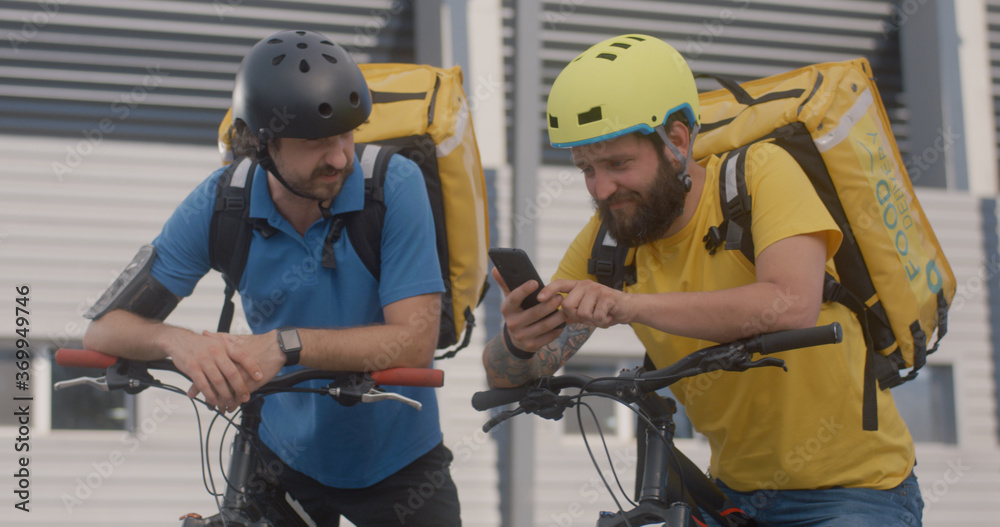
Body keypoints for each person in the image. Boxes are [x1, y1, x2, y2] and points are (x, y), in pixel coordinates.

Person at [482, 34, 922, 526]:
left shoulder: (758, 175)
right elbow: (513, 374)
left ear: (676, 140)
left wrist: (630, 306)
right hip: (730, 494)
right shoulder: (610, 239)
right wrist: (520, 343)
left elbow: (790, 304)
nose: (601, 188)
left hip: (854, 493)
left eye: (618, 164)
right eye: (586, 169)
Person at [82, 30, 460, 526]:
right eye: (317, 142)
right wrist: (179, 343)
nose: (341, 157)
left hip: (400, 460)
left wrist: (284, 344)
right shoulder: (221, 203)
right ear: (261, 144)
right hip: (280, 457)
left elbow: (413, 342)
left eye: (347, 133)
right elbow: (103, 329)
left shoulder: (393, 186)